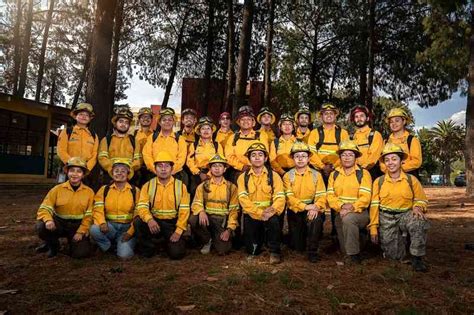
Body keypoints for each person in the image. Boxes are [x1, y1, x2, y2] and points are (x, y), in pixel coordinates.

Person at [370, 143, 429, 272]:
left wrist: (418, 207)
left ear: (401, 161)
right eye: (387, 160)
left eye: (394, 159)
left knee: (418, 221)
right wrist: (373, 227)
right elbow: (374, 206)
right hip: (386, 218)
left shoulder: (411, 179)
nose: (390, 163)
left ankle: (417, 258)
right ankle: (401, 245)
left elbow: (421, 199)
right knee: (394, 256)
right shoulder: (378, 182)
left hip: (405, 215)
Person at [134, 152, 190, 259]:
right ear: (155, 169)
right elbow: (142, 207)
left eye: (166, 166)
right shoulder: (148, 185)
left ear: (171, 169)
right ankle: (149, 248)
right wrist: (149, 219)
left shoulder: (180, 186)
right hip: (155, 222)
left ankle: (167, 243)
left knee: (177, 254)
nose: (163, 169)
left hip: (172, 223)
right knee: (138, 222)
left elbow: (184, 211)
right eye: (160, 166)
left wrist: (178, 231)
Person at [237, 142, 286, 264]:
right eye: (253, 155)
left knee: (274, 222)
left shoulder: (274, 176)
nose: (257, 157)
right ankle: (255, 247)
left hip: (270, 214)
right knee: (252, 250)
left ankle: (274, 251)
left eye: (260, 155)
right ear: (249, 159)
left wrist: (272, 210)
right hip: (252, 214)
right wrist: (259, 213)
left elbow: (280, 197)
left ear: (265, 158)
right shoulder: (242, 178)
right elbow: (243, 199)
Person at [36, 157, 94, 258]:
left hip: (77, 226)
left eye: (79, 171)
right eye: (72, 170)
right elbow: (45, 207)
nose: (75, 174)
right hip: (59, 224)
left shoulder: (89, 192)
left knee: (81, 254)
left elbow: (90, 215)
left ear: (83, 175)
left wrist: (81, 232)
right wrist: (48, 220)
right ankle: (54, 246)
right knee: (41, 227)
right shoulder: (57, 190)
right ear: (67, 172)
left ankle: (74, 244)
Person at [308, 102, 349, 236]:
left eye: (331, 113)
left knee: (336, 199)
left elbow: (346, 151)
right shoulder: (315, 132)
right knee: (318, 198)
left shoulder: (343, 133)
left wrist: (334, 167)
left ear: (335, 116)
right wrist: (322, 167)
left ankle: (336, 233)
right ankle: (317, 230)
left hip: (337, 171)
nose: (329, 115)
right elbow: (311, 151)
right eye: (326, 113)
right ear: (321, 116)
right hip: (319, 171)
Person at [327, 141, 372, 264]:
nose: (347, 157)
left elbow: (366, 197)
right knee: (344, 250)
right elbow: (330, 196)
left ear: (356, 157)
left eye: (350, 154)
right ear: (340, 157)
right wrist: (341, 206)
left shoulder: (363, 174)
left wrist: (351, 207)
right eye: (344, 155)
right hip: (340, 213)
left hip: (360, 213)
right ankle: (356, 245)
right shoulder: (334, 174)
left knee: (348, 219)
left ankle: (354, 257)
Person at [283, 142, 327, 262]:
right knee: (298, 247)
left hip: (312, 209)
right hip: (296, 211)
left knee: (315, 219)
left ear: (308, 158)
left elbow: (321, 195)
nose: (300, 159)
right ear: (293, 158)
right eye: (297, 156)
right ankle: (298, 237)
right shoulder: (288, 176)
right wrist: (305, 206)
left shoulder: (316, 175)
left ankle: (313, 251)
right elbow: (289, 197)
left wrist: (316, 207)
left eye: (304, 156)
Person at [189, 154, 239, 255]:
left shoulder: (231, 187)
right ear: (210, 169)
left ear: (224, 169)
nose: (217, 168)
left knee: (223, 250)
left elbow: (234, 211)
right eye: (214, 166)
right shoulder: (203, 186)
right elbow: (196, 203)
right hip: (207, 220)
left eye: (220, 166)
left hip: (221, 222)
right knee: (193, 219)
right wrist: (201, 211)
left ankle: (216, 238)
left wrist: (229, 230)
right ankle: (207, 241)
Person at [90, 159, 140, 259]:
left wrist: (130, 232)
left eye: (123, 171)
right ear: (112, 173)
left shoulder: (135, 191)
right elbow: (97, 208)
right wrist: (102, 223)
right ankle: (109, 247)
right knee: (94, 229)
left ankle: (122, 245)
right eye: (116, 171)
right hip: (110, 227)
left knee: (124, 256)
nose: (119, 173)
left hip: (127, 228)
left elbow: (138, 213)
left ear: (128, 174)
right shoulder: (104, 190)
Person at [224, 106, 269, 183]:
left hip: (258, 169)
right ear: (239, 121)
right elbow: (229, 156)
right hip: (238, 171)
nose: (246, 121)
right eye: (243, 119)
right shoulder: (233, 137)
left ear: (253, 122)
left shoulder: (261, 136)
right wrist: (242, 167)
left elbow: (265, 154)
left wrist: (254, 167)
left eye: (248, 119)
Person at [142, 107, 188, 181]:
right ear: (159, 122)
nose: (167, 122)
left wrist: (170, 171)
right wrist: (156, 170)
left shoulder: (180, 139)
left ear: (174, 122)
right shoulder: (152, 137)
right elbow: (147, 155)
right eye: (164, 120)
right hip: (154, 174)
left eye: (170, 120)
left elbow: (181, 158)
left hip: (175, 175)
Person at [98, 108, 141, 184]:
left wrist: (128, 171)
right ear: (115, 123)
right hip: (110, 177)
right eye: (121, 121)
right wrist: (114, 170)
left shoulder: (134, 141)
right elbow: (102, 158)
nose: (123, 124)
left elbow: (138, 160)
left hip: (129, 177)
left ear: (129, 125)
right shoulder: (106, 140)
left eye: (126, 122)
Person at [57, 103, 99, 175]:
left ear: (89, 119)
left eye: (87, 115)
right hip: (70, 169)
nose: (84, 117)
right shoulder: (67, 131)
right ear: (75, 116)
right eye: (81, 114)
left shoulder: (94, 135)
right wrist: (71, 164)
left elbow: (95, 154)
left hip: (87, 171)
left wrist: (87, 168)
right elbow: (61, 150)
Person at [381, 108, 422, 177]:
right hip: (389, 179)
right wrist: (389, 171)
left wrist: (397, 169)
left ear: (404, 121)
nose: (394, 124)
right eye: (391, 122)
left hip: (408, 178)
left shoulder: (412, 140)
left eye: (397, 121)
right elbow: (381, 162)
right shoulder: (385, 142)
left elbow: (416, 161)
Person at [186, 116, 223, 194]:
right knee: (194, 193)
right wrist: (199, 173)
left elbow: (221, 161)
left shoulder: (217, 145)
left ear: (212, 131)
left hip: (214, 174)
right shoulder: (194, 145)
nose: (206, 131)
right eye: (203, 128)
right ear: (199, 131)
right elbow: (190, 161)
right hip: (197, 175)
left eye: (208, 128)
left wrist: (209, 174)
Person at [349, 105, 383, 178]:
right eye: (356, 117)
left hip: (372, 172)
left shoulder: (375, 135)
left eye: (361, 116)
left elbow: (374, 157)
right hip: (354, 173)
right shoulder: (352, 137)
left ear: (367, 118)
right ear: (353, 120)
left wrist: (362, 170)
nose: (359, 119)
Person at [134, 107, 155, 186]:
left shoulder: (156, 134)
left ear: (151, 119)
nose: (146, 119)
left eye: (148, 117)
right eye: (143, 117)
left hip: (151, 170)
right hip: (137, 170)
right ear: (139, 119)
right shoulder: (134, 134)